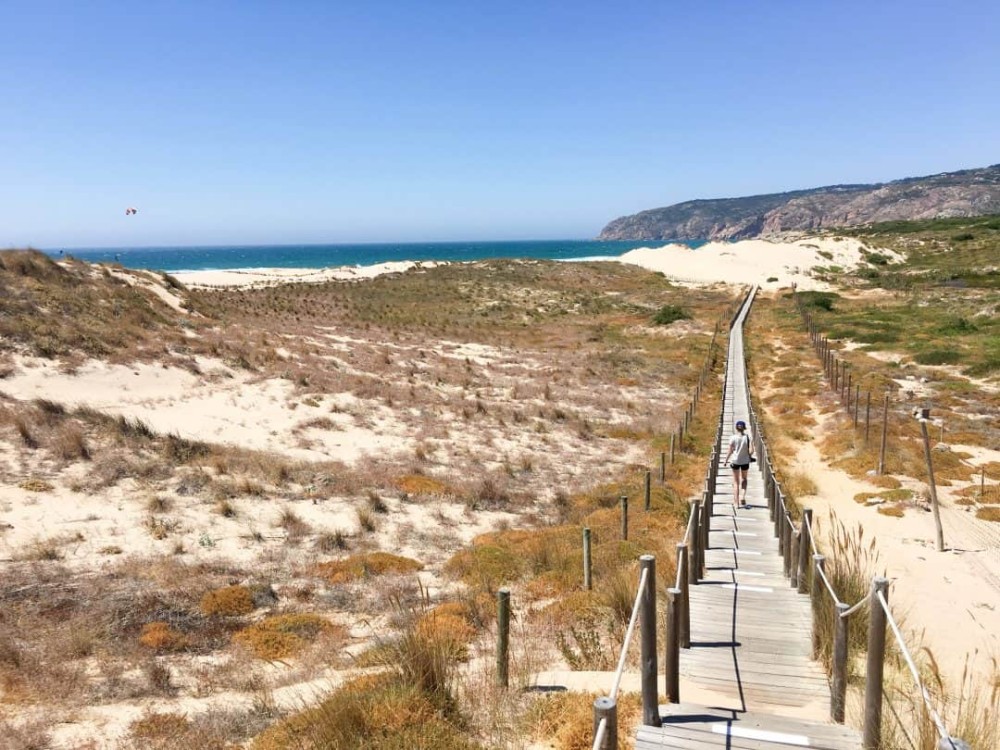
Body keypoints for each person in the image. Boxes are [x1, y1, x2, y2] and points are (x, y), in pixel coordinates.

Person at [724, 420, 754, 509]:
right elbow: (751, 451)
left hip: (735, 461)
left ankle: (736, 503)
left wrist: (726, 460)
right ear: (744, 428)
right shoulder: (748, 437)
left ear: (736, 428)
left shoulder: (732, 438)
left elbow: (730, 450)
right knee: (744, 479)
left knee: (736, 482)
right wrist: (748, 454)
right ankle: (743, 496)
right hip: (745, 461)